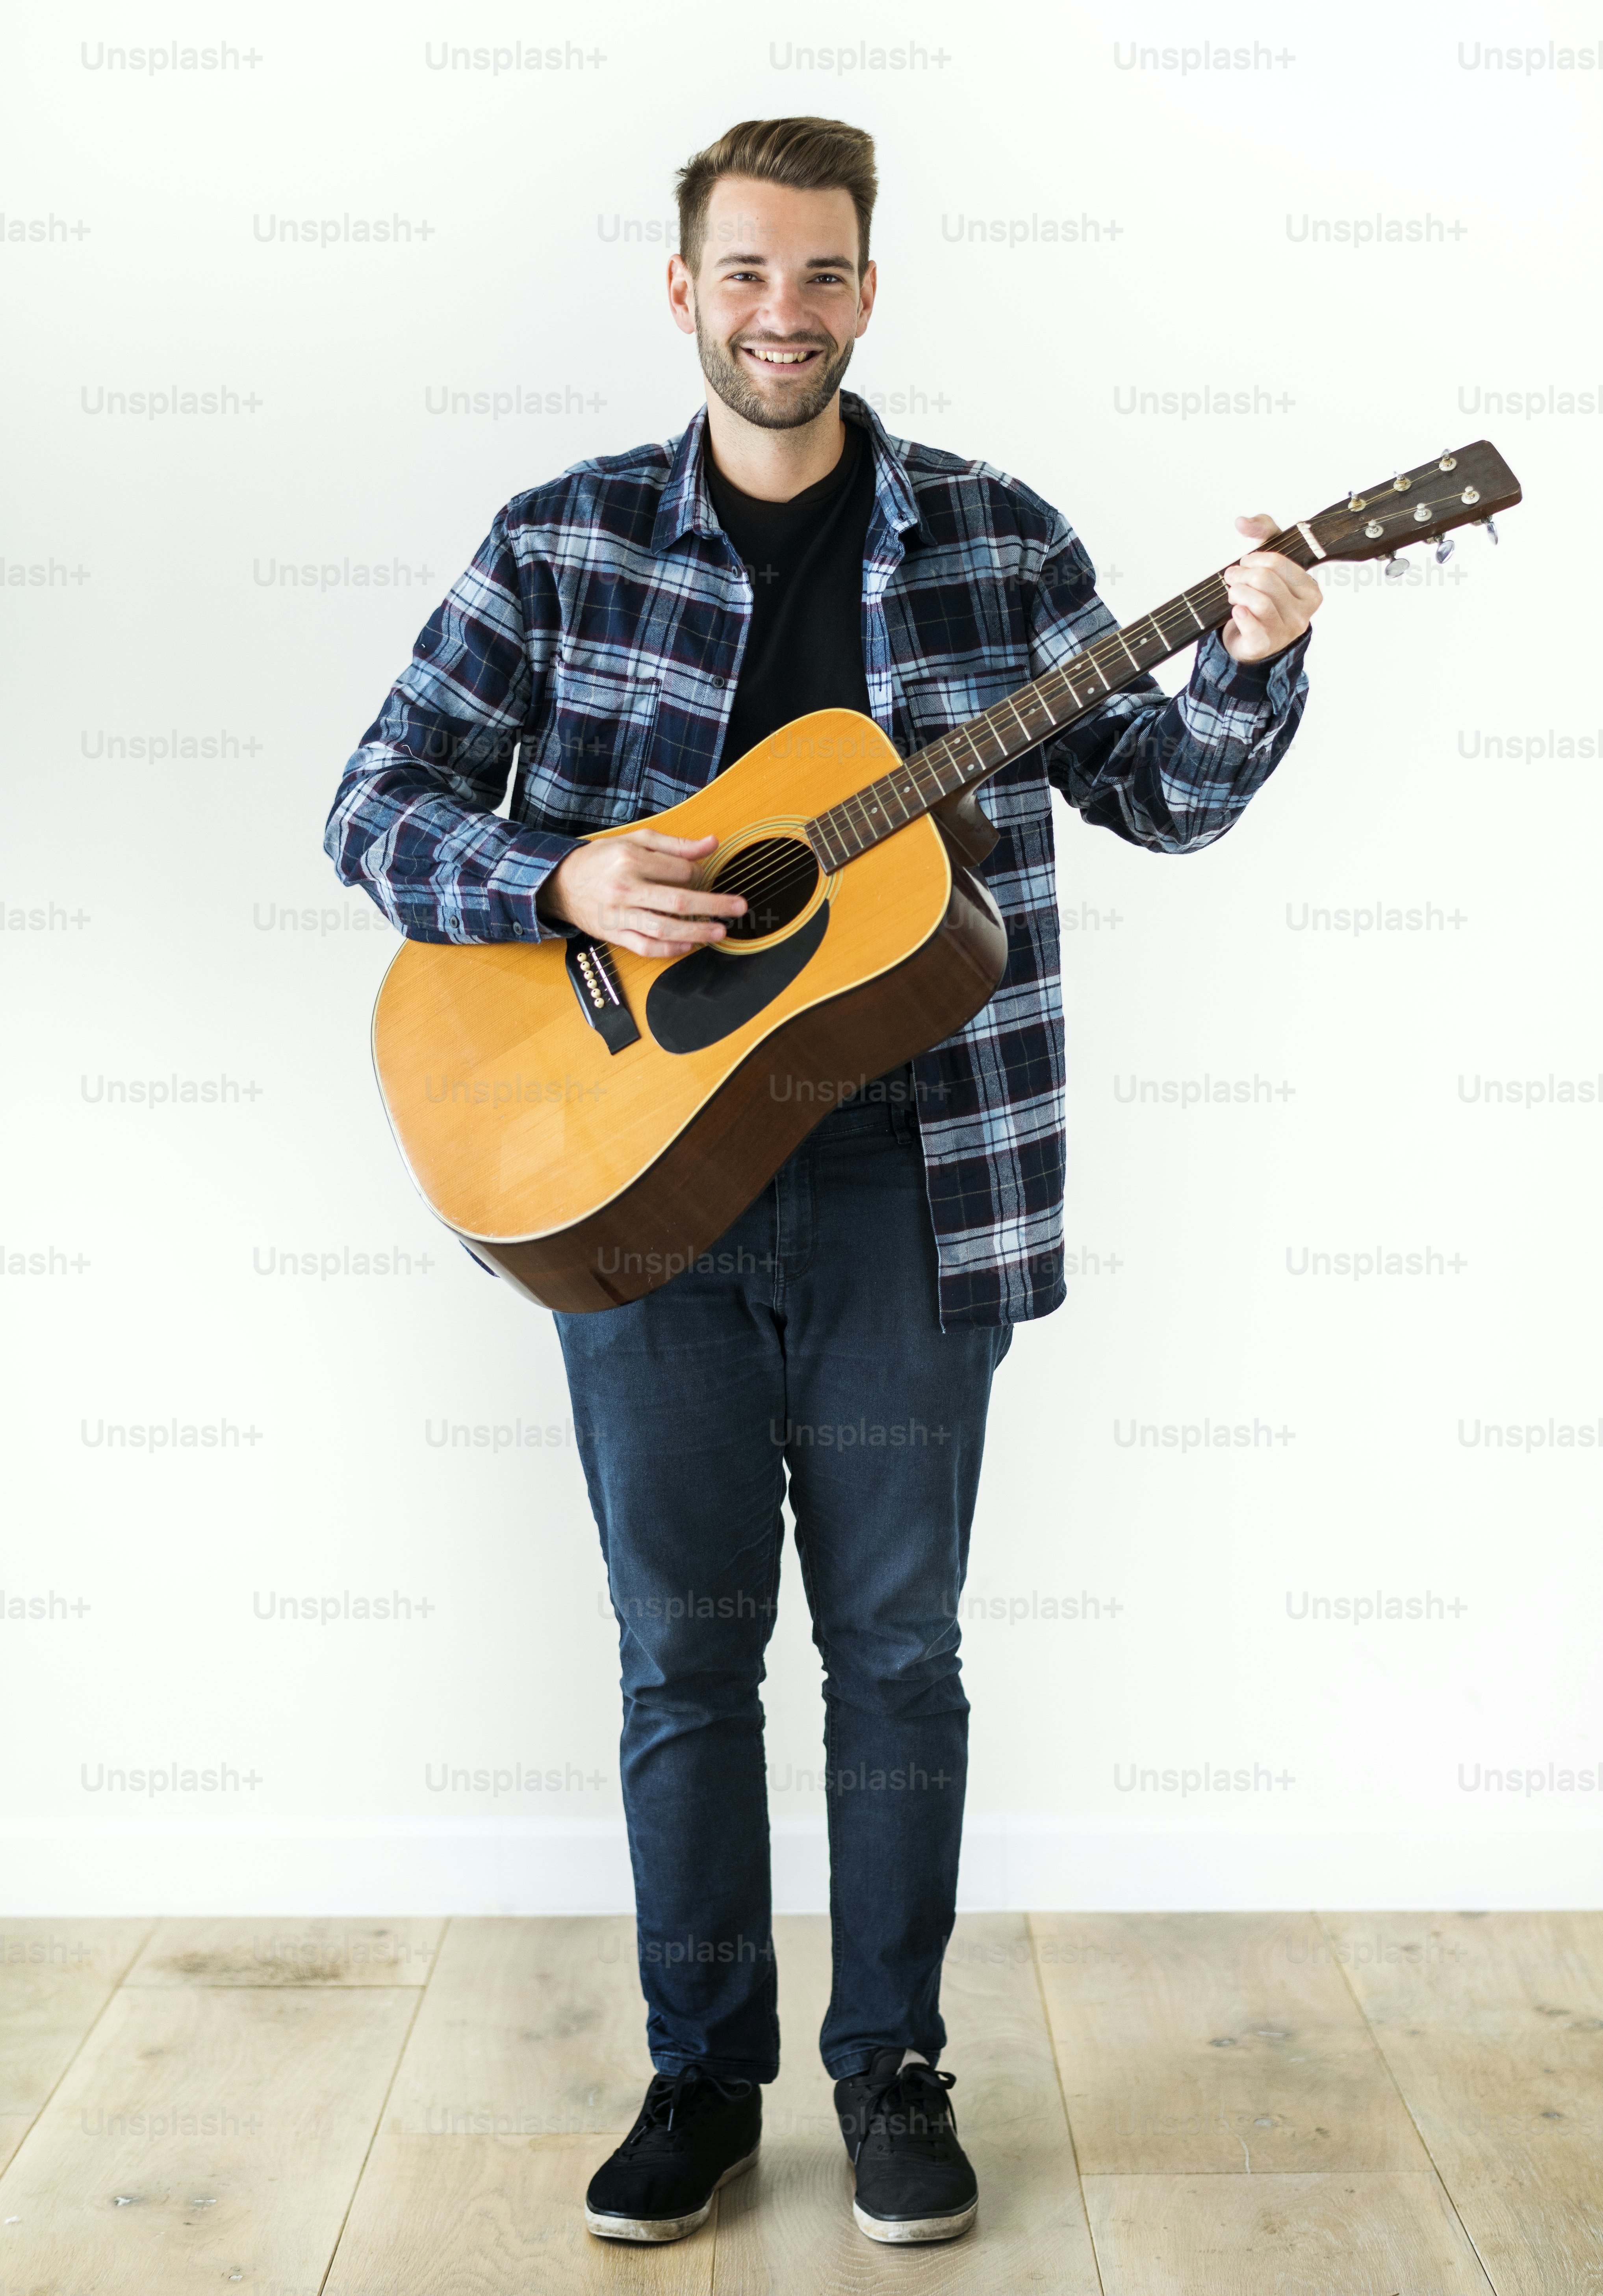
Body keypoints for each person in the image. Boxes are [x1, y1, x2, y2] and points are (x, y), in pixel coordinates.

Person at [324, 114, 1320, 2248]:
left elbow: (1156, 795)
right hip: (637, 1189)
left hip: (910, 1178)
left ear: (870, 292)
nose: (785, 310)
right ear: (682, 290)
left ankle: (889, 2068)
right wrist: (561, 870)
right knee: (681, 1654)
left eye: (825, 274)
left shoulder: (993, 540)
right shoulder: (563, 541)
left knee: (896, 1648)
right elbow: (375, 805)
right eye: (747, 272)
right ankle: (700, 2076)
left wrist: (1242, 658)